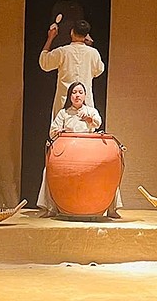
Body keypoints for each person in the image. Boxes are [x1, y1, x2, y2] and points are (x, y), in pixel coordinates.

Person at [36, 82, 122, 219]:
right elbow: (52, 132)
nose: (77, 95)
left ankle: (111, 208)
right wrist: (60, 131)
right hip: (67, 154)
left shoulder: (91, 111)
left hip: (89, 153)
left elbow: (98, 123)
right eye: (74, 92)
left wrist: (88, 119)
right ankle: (51, 208)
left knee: (108, 170)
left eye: (80, 92)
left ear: (85, 95)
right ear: (70, 96)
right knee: (48, 171)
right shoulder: (64, 113)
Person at [39, 18, 105, 117]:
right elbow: (99, 70)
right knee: (84, 126)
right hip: (85, 104)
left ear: (72, 32)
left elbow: (44, 63)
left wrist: (50, 37)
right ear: (86, 35)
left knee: (62, 126)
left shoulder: (63, 52)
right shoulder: (93, 53)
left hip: (65, 103)